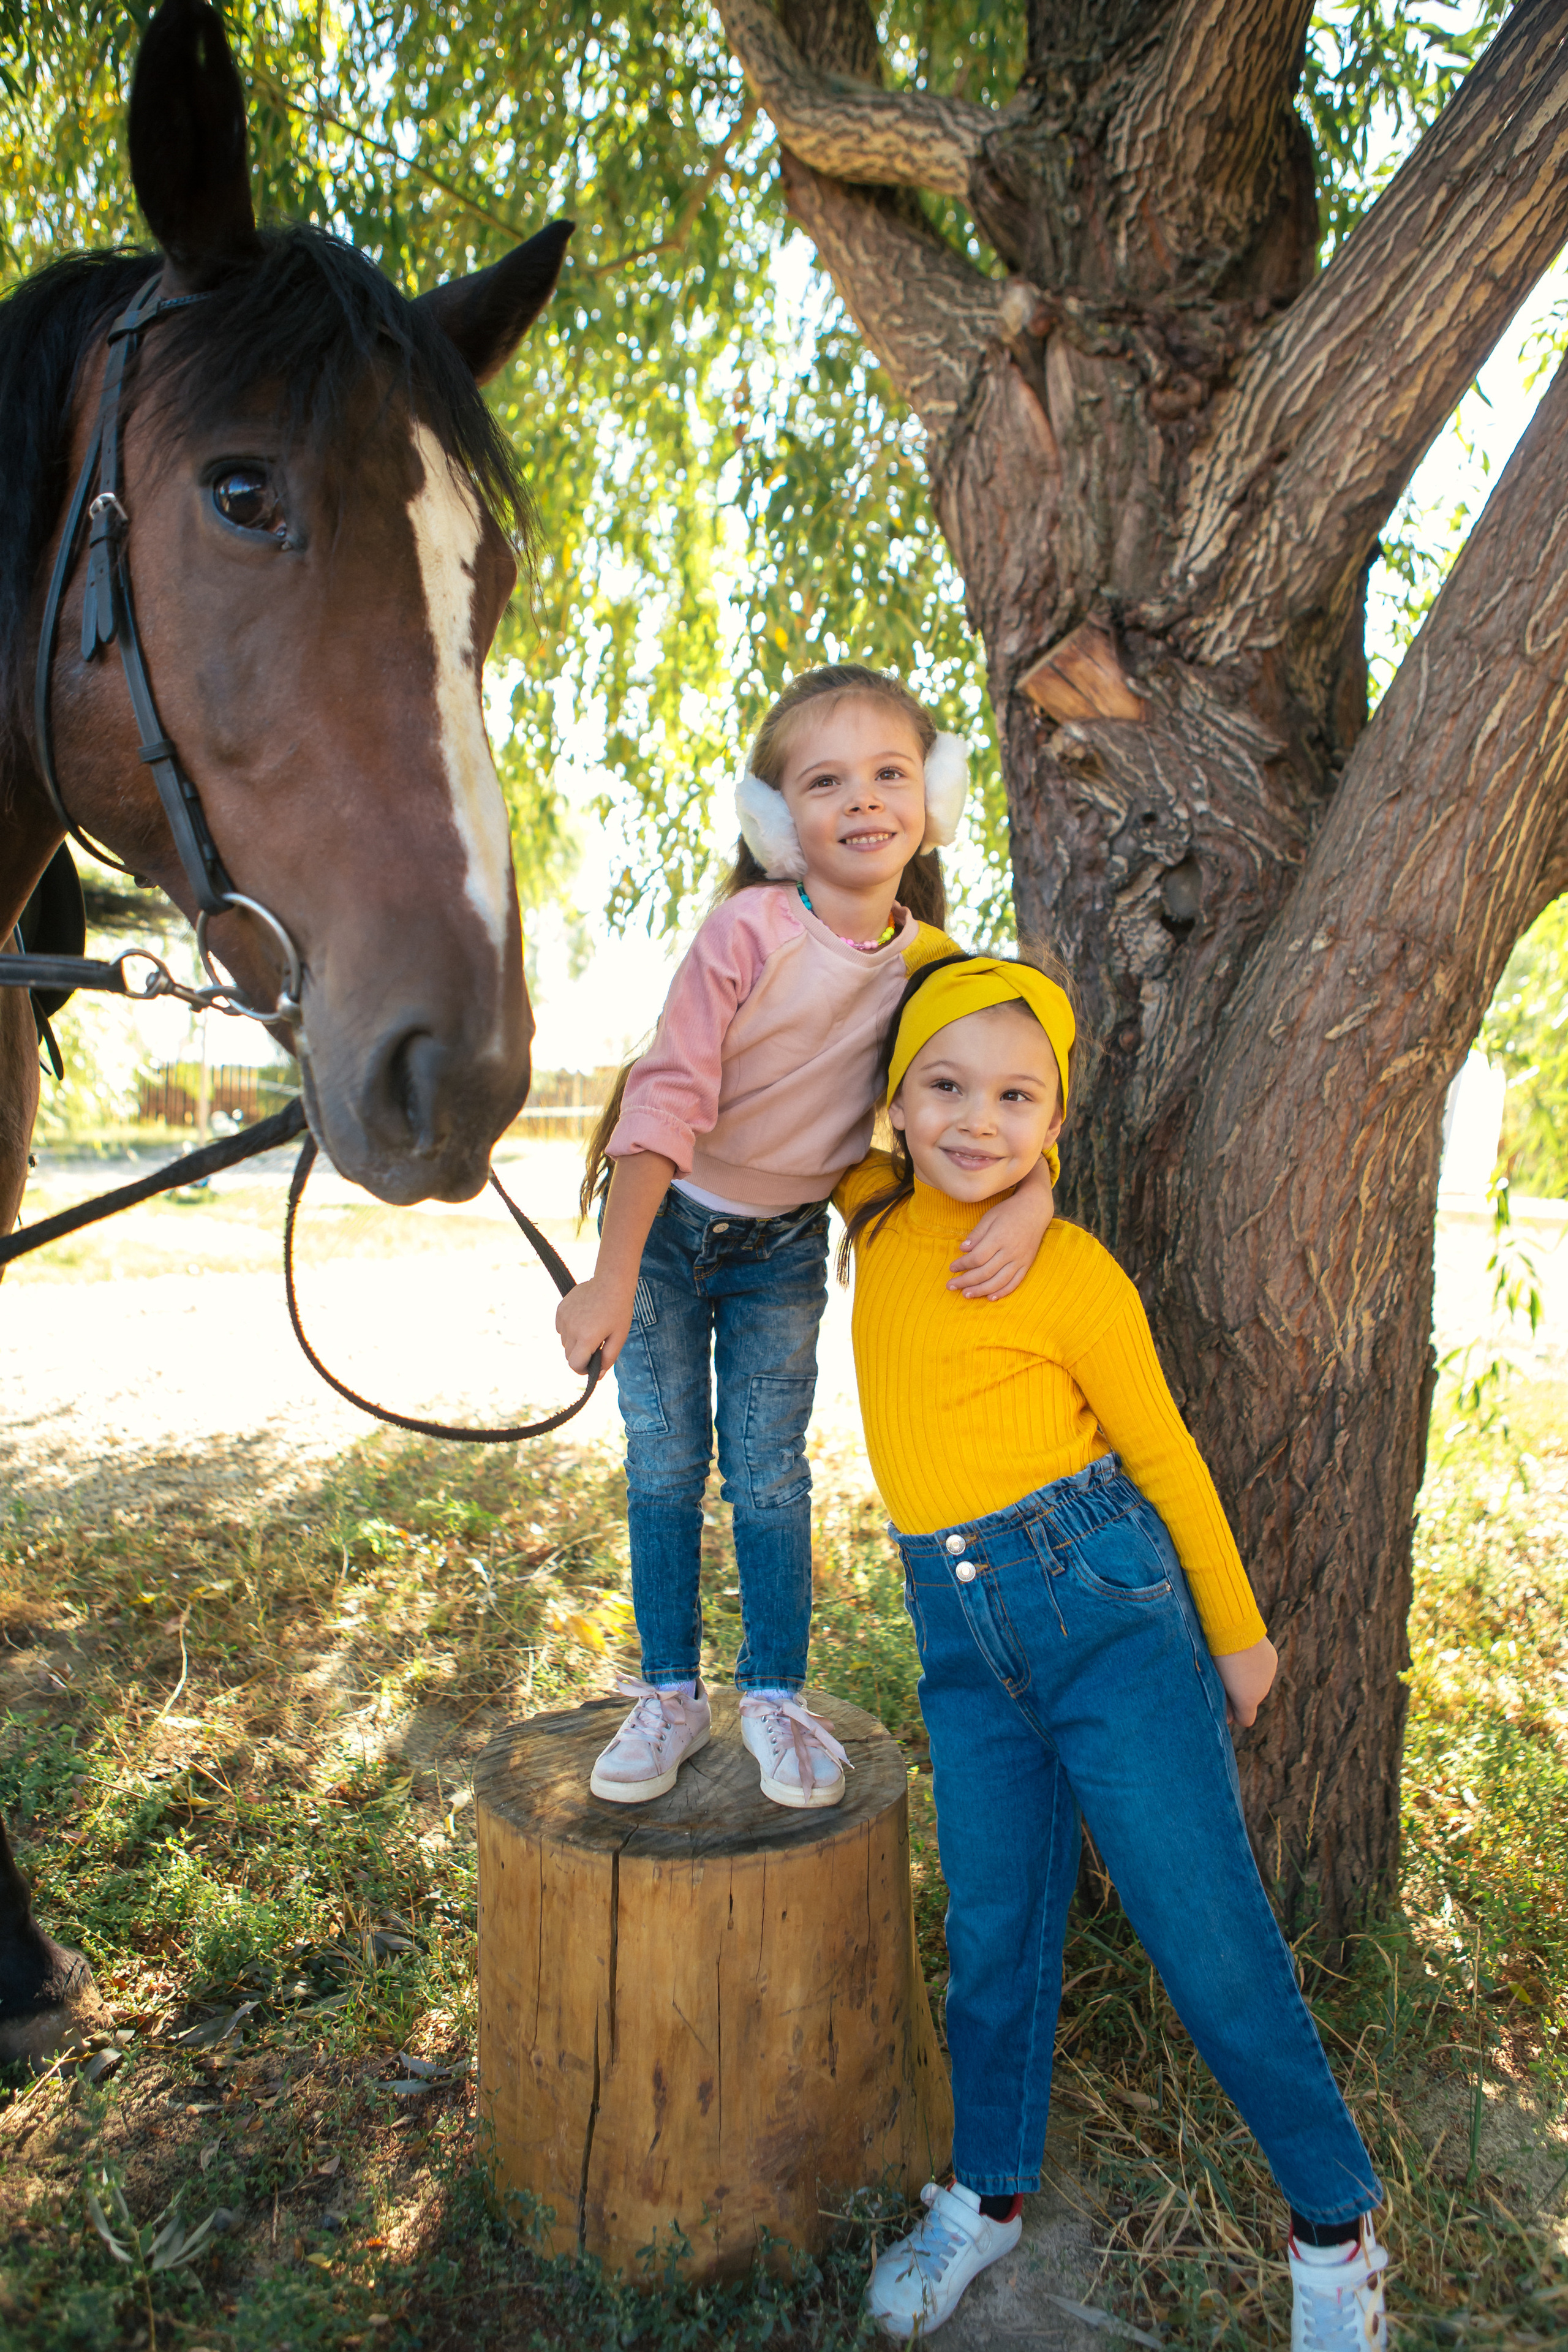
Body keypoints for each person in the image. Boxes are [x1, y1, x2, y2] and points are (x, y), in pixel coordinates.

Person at [834, 952, 1389, 2349]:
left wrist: (1238, 1633)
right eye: (946, 1087)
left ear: (1056, 1125)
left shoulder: (1069, 1272)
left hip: (1102, 1607)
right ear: (893, 1106)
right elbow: (858, 969)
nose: (978, 1119)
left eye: (1017, 1100)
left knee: (1202, 1928)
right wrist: (1002, 1169)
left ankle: (1331, 2233)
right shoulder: (870, 1215)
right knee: (991, 1925)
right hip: (956, 1636)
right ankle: (985, 2195)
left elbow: (1164, 1452)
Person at [556, 668, 1057, 1812]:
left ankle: (775, 1693)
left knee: (772, 1474)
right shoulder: (746, 933)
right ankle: (670, 1694)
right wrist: (613, 1275)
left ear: (933, 797)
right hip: (668, 1233)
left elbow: (1004, 1086)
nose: (864, 799)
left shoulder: (933, 966)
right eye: (826, 781)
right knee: (668, 1464)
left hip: (783, 1246)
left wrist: (1032, 1197)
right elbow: (667, 1100)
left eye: (891, 773)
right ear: (779, 822)